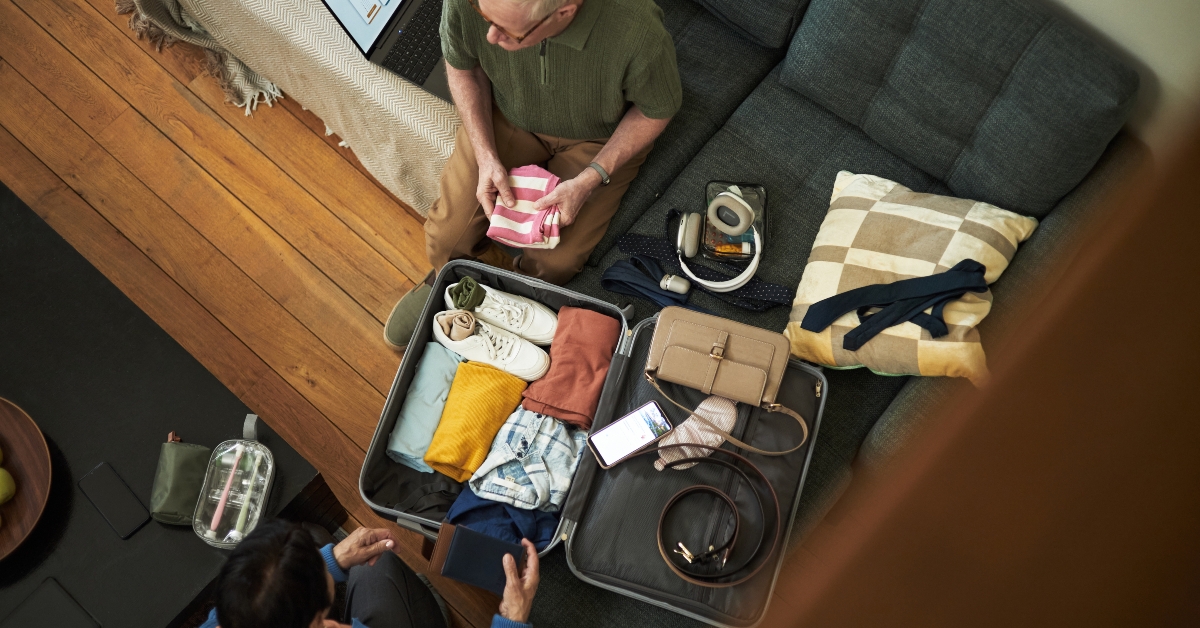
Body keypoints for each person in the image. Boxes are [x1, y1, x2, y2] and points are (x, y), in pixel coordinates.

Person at [383, 0, 681, 348]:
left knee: (555, 264)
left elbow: (655, 111)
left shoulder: (638, 29)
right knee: (446, 237)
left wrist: (591, 177)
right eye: (485, 19)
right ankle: (450, 282)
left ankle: (502, 301)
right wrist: (485, 154)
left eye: (508, 31)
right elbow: (463, 65)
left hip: (599, 138)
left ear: (565, 12)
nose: (490, 37)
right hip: (508, 114)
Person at [198, 519, 540, 628]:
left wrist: (333, 560)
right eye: (319, 622)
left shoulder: (229, 617)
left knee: (380, 565)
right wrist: (513, 617)